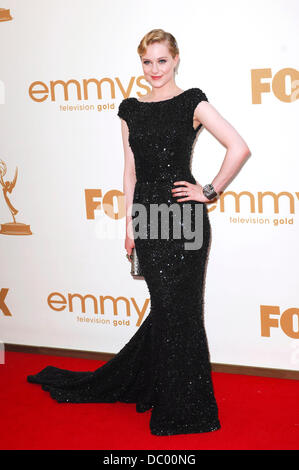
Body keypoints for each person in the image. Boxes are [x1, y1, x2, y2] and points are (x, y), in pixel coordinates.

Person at [27, 29, 251, 437]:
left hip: (185, 222)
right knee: (169, 311)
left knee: (182, 312)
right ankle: (159, 387)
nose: (154, 70)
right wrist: (129, 225)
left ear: (176, 60)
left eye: (162, 61)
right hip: (148, 219)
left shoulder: (192, 101)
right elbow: (129, 172)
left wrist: (209, 191)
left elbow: (239, 147)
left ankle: (185, 407)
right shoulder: (130, 108)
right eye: (147, 62)